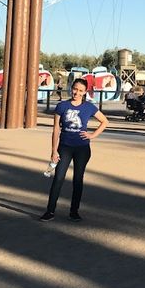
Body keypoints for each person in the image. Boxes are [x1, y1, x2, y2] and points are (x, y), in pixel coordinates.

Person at [41, 77, 109, 222]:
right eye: (75, 89)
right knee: (58, 178)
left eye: (80, 91)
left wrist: (92, 135)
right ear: (71, 88)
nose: (77, 93)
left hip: (82, 148)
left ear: (85, 92)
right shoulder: (62, 106)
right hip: (64, 147)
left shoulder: (89, 107)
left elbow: (104, 121)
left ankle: (74, 211)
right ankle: (50, 211)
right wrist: (54, 150)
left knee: (78, 179)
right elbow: (56, 129)